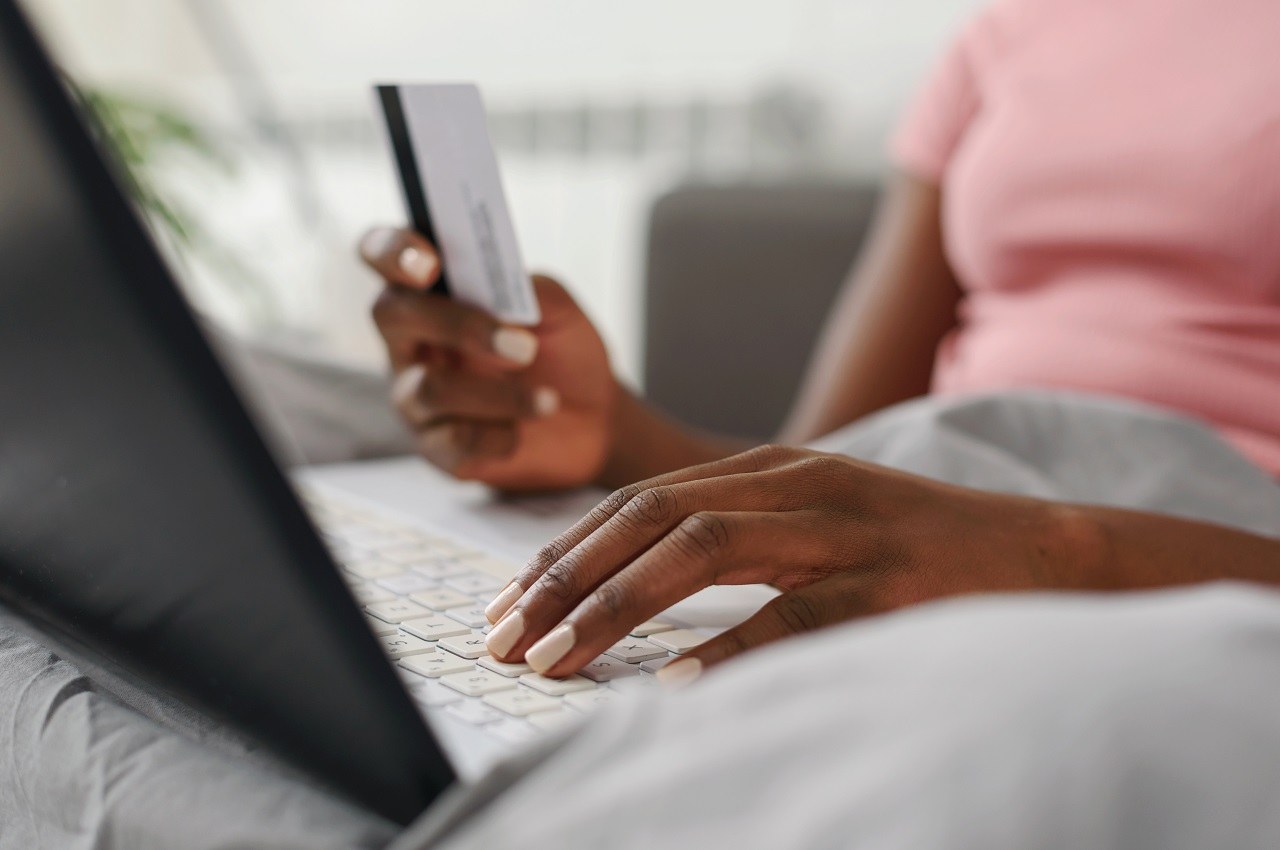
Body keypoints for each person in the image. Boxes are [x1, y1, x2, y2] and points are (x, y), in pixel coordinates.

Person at [357, 0, 1280, 684]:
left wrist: (1055, 551)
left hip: (1205, 558)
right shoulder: (1015, 27)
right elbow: (841, 455)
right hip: (944, 514)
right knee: (299, 398)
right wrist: (607, 434)